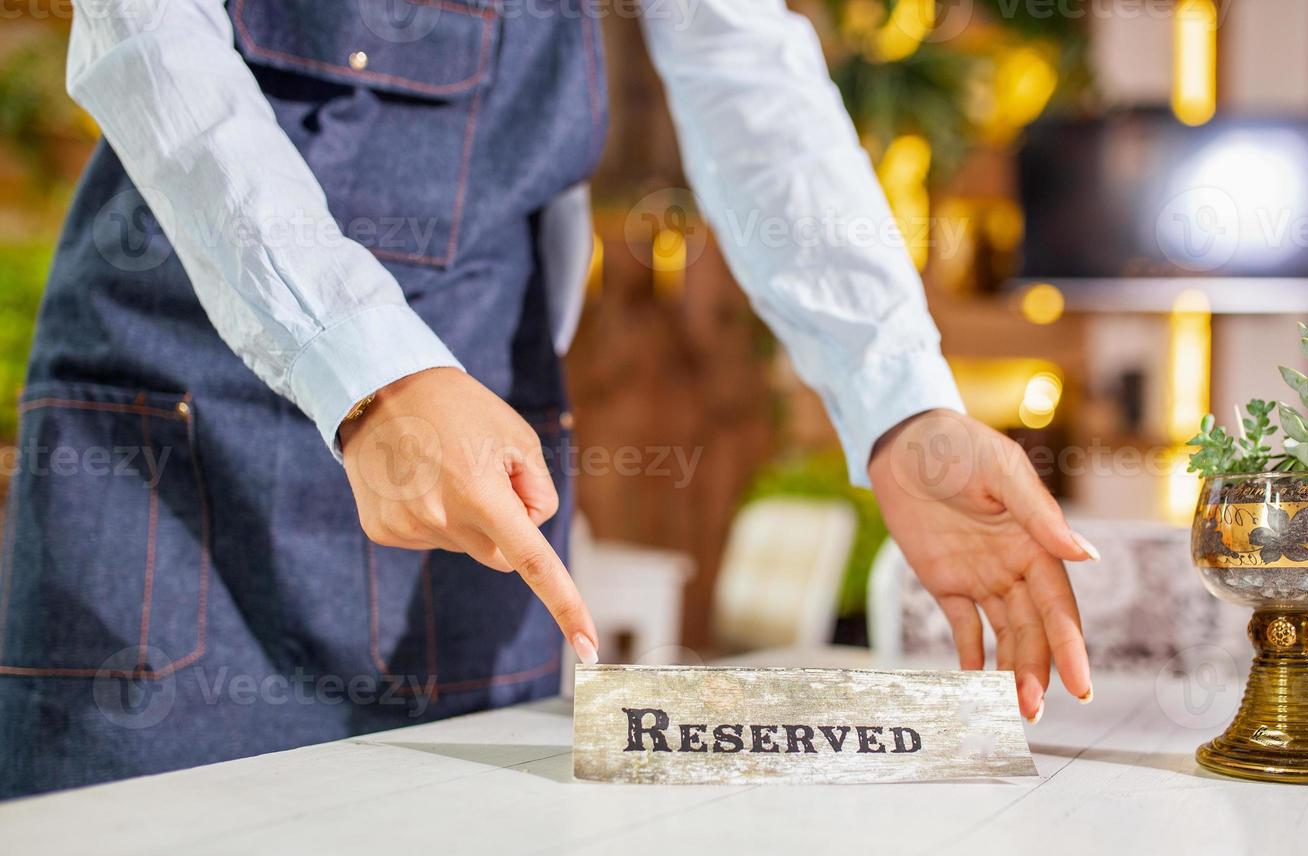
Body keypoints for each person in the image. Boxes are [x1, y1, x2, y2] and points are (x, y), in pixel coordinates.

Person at [0, 0, 1097, 799]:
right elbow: (145, 33)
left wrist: (900, 401)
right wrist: (368, 368)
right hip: (179, 444)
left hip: (488, 464)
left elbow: (746, 64)